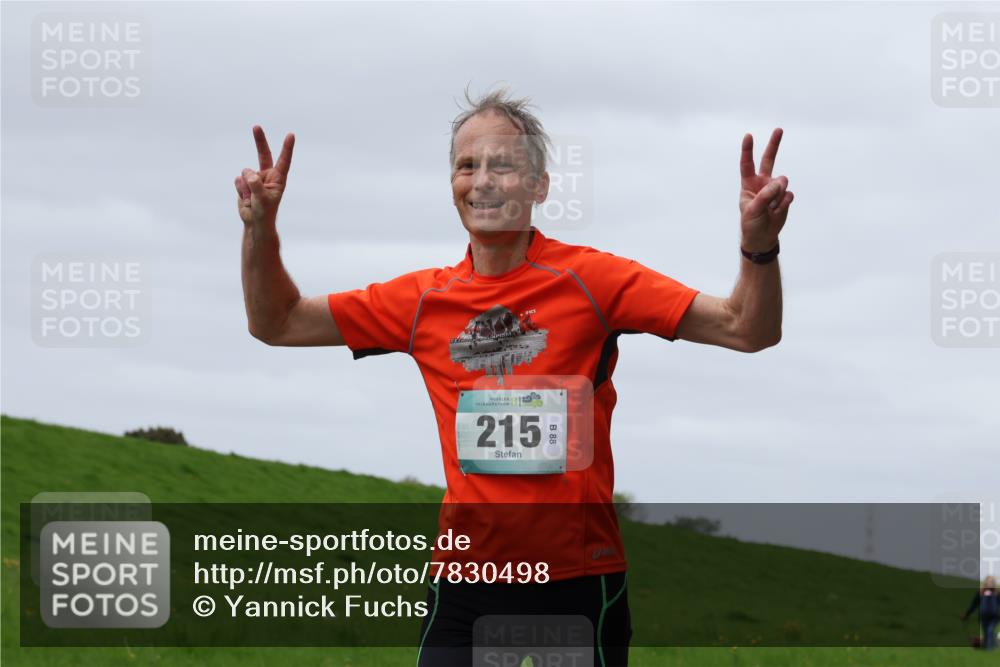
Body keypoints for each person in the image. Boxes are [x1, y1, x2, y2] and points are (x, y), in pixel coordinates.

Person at [235, 88, 794, 666]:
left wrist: (759, 248)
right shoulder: (422, 300)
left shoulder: (593, 281)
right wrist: (260, 230)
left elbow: (745, 329)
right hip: (465, 583)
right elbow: (276, 322)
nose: (482, 181)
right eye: (466, 165)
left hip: (578, 581)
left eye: (502, 164)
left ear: (540, 185)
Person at [962, 575, 999, 650]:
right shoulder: (980, 593)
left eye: (992, 582)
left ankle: (989, 650)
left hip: (994, 617)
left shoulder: (997, 593)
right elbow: (974, 604)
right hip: (983, 617)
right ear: (986, 582)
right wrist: (967, 614)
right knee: (987, 633)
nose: (990, 583)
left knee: (989, 631)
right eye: (989, 581)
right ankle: (988, 645)